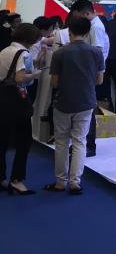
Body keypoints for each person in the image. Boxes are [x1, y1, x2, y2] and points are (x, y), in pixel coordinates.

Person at [46, 16, 103, 195]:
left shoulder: (60, 53)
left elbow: (54, 83)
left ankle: (60, 182)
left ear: (69, 31)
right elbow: (99, 80)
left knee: (61, 142)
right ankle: (75, 182)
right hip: (86, 101)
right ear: (87, 32)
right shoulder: (96, 52)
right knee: (80, 141)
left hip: (63, 101)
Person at [1, 23, 44, 194]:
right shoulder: (23, 53)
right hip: (16, 101)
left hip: (2, 98)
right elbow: (20, 78)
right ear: (30, 39)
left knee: (2, 140)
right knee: (24, 140)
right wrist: (36, 74)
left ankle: (1, 177)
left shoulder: (5, 50)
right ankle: (17, 180)